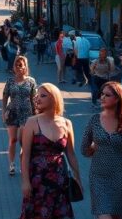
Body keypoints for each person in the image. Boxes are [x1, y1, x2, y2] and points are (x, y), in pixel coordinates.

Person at [18, 83, 81, 219]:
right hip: (37, 179)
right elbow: (25, 155)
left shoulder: (66, 123)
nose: (37, 98)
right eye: (37, 96)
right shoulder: (32, 122)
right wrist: (25, 182)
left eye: (43, 95)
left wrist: (78, 179)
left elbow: (71, 154)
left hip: (60, 179)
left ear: (54, 98)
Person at [82, 81, 122, 219]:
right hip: (98, 177)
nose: (102, 97)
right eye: (102, 94)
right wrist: (93, 148)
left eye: (107, 95)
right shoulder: (94, 120)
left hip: (119, 177)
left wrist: (119, 145)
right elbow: (84, 149)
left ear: (117, 98)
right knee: (104, 216)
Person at [3, 55, 38, 176]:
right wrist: (3, 111)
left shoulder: (31, 81)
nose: (18, 67)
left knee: (23, 141)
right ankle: (12, 164)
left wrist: (36, 114)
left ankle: (23, 164)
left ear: (25, 67)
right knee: (13, 140)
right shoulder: (10, 81)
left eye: (20, 65)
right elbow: (5, 96)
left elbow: (34, 99)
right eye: (16, 65)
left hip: (27, 114)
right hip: (12, 113)